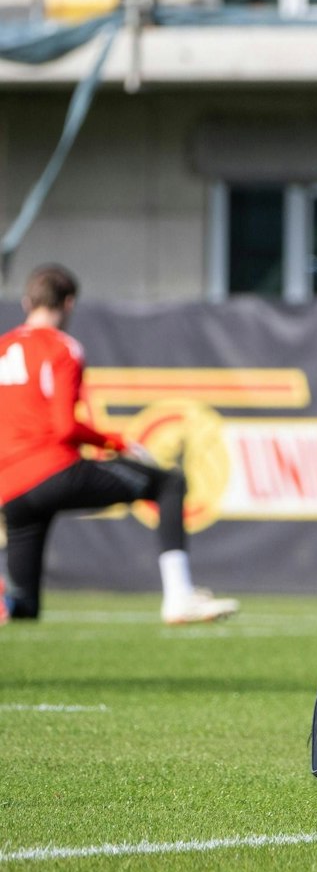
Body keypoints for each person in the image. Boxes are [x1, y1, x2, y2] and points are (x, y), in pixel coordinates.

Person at [0, 264, 238, 626]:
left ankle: (10, 602)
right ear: (69, 302)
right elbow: (64, 427)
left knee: (24, 607)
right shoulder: (63, 348)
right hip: (51, 470)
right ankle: (179, 596)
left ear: (26, 302)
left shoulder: (3, 347)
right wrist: (115, 441)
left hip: (11, 489)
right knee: (168, 482)